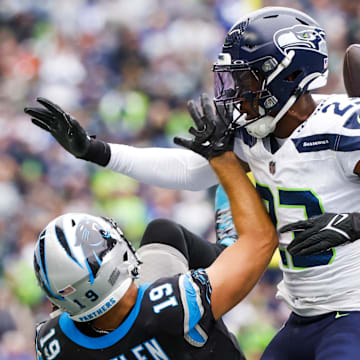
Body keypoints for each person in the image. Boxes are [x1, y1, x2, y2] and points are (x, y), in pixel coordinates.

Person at [25, 6, 360, 359]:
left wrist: (355, 223)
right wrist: (97, 151)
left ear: (289, 76)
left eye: (247, 80)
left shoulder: (340, 128)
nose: (237, 92)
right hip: (303, 316)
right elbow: (189, 170)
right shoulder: (256, 133)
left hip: (352, 309)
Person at [33, 112, 278, 360]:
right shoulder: (174, 307)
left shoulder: (52, 345)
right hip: (175, 333)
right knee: (166, 233)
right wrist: (226, 163)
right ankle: (227, 248)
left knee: (163, 233)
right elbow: (261, 241)